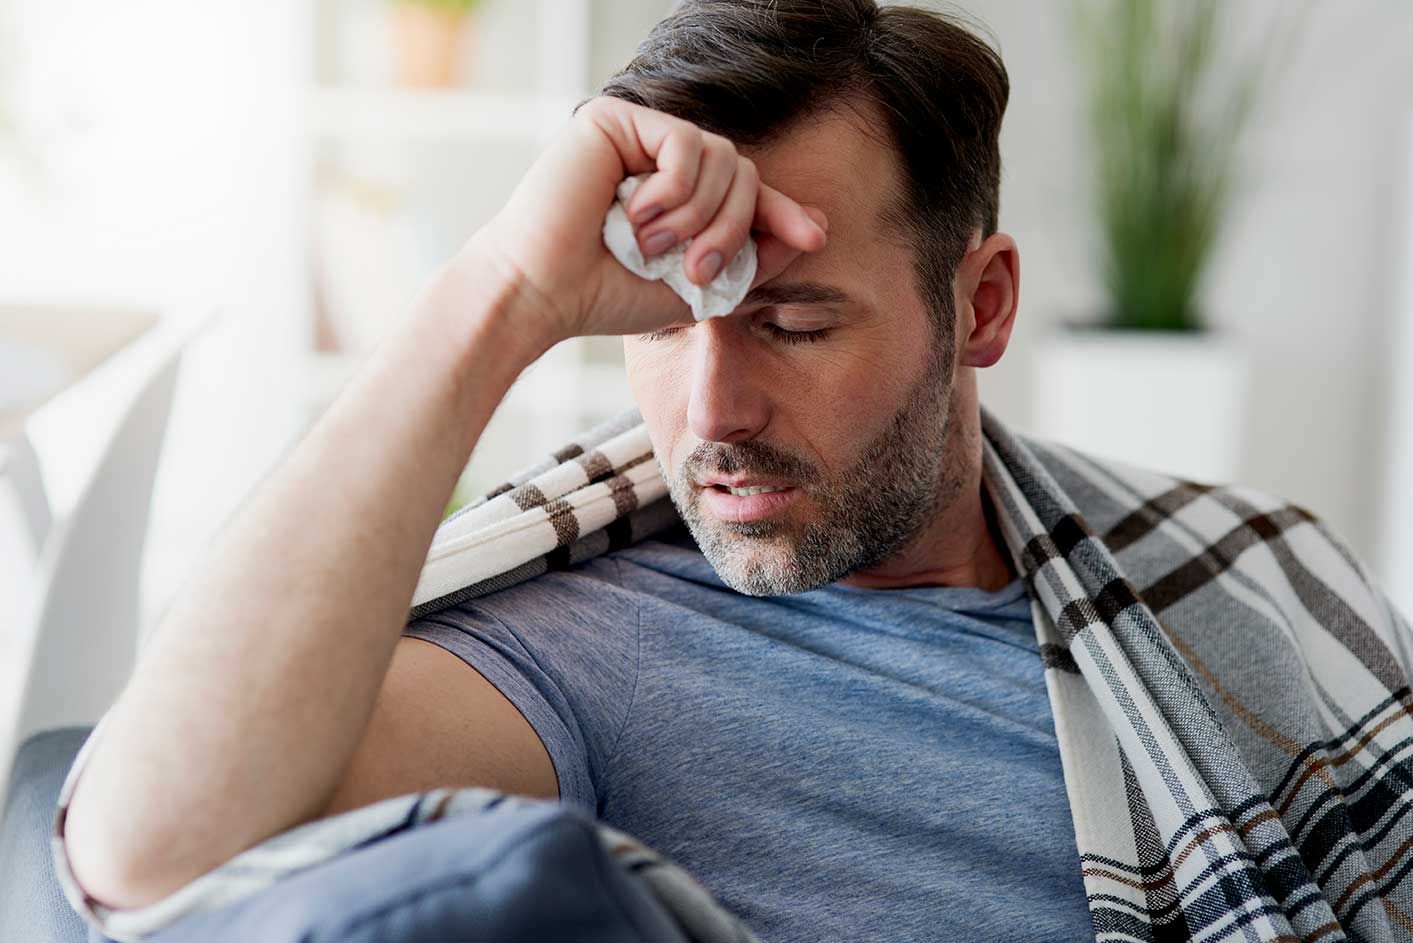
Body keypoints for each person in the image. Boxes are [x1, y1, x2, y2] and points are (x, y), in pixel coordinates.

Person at [55, 2, 1413, 941]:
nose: (709, 409)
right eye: (656, 323)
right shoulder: (580, 660)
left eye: (794, 321)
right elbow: (142, 846)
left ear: (980, 308)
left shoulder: (1233, 569)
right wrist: (502, 291)